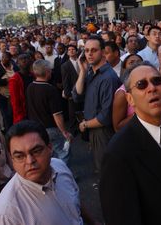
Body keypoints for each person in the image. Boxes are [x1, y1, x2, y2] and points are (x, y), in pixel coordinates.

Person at [100, 62, 161, 225]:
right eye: (141, 85)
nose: (152, 88)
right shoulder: (118, 153)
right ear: (130, 98)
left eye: (156, 81)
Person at [0, 120, 95, 225]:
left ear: (50, 148)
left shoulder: (59, 167)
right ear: (12, 159)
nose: (30, 161)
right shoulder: (6, 214)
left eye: (36, 151)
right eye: (20, 156)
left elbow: (75, 201)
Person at [73, 36, 121, 180]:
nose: (89, 54)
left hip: (103, 132)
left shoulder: (108, 78)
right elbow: (77, 95)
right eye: (86, 51)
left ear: (102, 52)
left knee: (106, 172)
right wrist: (82, 71)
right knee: (101, 168)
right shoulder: (90, 73)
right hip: (93, 131)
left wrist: (85, 124)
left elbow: (105, 117)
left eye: (93, 50)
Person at [27, 60, 73, 164]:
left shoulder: (30, 87)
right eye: (50, 71)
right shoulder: (50, 89)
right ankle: (63, 176)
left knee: (48, 154)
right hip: (51, 128)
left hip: (37, 128)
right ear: (47, 71)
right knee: (63, 153)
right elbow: (57, 114)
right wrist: (64, 132)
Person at [112, 54, 143, 132]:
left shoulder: (148, 86)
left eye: (139, 62)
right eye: (131, 62)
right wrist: (140, 113)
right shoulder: (122, 93)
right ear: (125, 68)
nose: (136, 64)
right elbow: (117, 127)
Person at [0, 51, 18, 130]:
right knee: (6, 115)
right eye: (3, 58)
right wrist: (5, 81)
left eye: (6, 58)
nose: (4, 59)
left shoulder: (15, 67)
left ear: (10, 59)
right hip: (2, 95)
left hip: (14, 94)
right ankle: (8, 132)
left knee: (14, 113)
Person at [61, 44, 83, 136]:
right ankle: (74, 129)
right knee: (72, 112)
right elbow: (65, 81)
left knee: (82, 110)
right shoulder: (65, 65)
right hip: (72, 92)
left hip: (83, 90)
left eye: (73, 49)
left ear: (76, 51)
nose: (71, 51)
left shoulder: (81, 62)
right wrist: (68, 94)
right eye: (69, 50)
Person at [9, 53, 33, 124]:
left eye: (26, 58)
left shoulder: (34, 76)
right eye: (21, 59)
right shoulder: (14, 79)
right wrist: (19, 117)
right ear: (17, 63)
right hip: (23, 113)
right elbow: (15, 101)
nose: (24, 61)